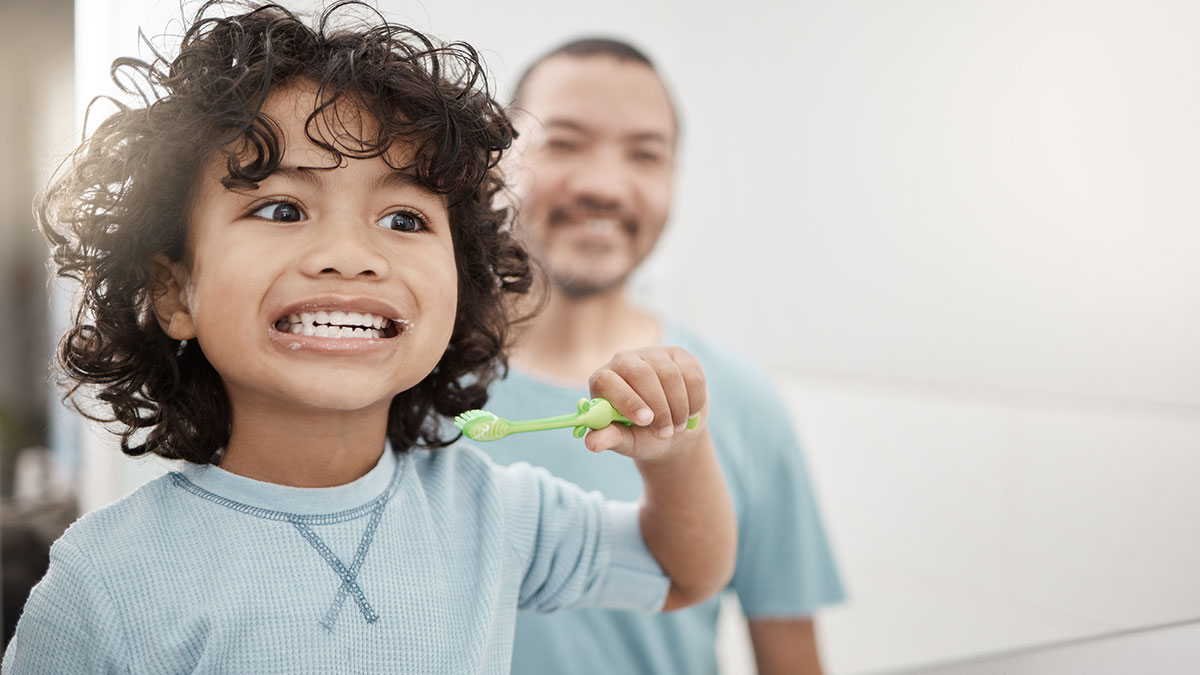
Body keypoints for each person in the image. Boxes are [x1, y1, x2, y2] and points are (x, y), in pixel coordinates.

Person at [2, 5, 737, 672]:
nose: (351, 255)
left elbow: (682, 572)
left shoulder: (492, 512)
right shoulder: (104, 578)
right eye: (284, 208)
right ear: (173, 291)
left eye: (405, 220)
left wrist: (677, 456)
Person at [483, 38, 846, 674]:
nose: (603, 185)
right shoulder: (405, 381)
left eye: (645, 155)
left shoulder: (740, 401)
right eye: (564, 142)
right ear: (497, 163)